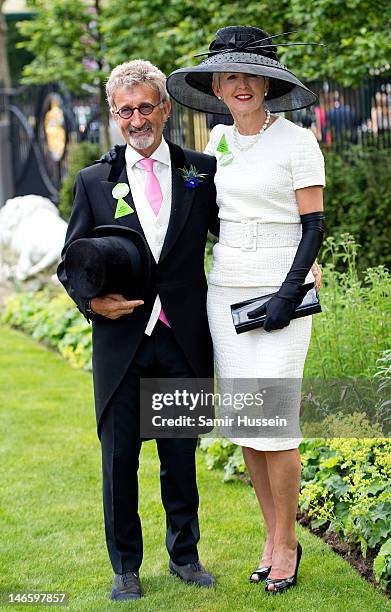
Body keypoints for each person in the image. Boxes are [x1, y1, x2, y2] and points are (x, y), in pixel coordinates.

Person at [167, 26, 325, 594]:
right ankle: (271, 536)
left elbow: (314, 224)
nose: (240, 85)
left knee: (275, 427)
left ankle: (288, 544)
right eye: (229, 75)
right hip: (226, 283)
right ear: (216, 84)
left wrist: (289, 290)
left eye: (250, 75)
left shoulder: (299, 141)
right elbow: (210, 216)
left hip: (281, 279)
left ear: (267, 82)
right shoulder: (217, 143)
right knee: (245, 427)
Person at [57, 59, 219, 601]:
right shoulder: (94, 180)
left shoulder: (201, 170)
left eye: (145, 107)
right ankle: (125, 566)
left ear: (165, 108)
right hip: (121, 344)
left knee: (180, 455)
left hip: (182, 336)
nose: (135, 119)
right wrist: (92, 302)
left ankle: (186, 556)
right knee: (120, 459)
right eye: (124, 111)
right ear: (114, 115)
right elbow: (69, 263)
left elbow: (238, 231)